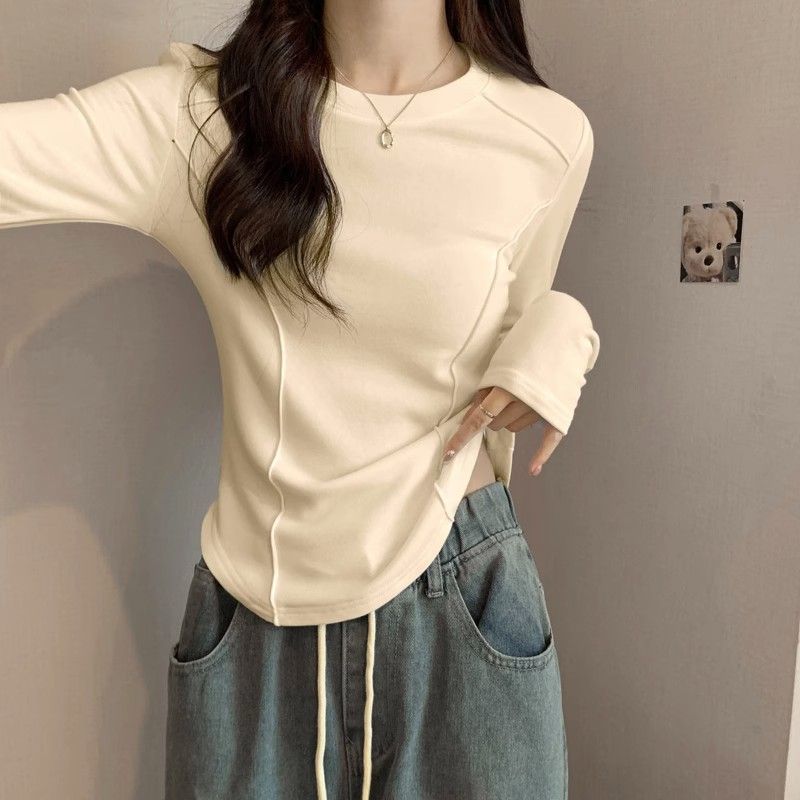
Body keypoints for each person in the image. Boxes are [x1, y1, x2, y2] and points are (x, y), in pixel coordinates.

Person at [0, 0, 600, 797]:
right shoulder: (203, 117)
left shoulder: (548, 136)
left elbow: (516, 325)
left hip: (463, 602)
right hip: (258, 617)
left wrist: (566, 330)